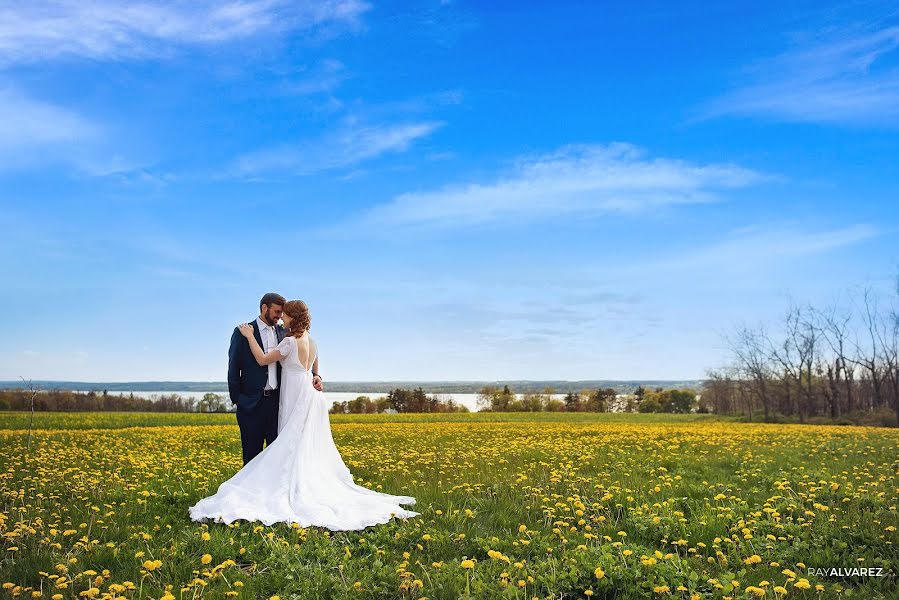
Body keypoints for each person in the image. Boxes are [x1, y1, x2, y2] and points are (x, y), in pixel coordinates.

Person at [190, 300, 419, 530]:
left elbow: (262, 360)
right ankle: (297, 482)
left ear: (292, 317)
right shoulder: (313, 340)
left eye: (285, 315)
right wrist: (316, 376)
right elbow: (313, 366)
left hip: (293, 393)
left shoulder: (288, 341)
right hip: (308, 393)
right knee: (301, 442)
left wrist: (251, 337)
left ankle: (287, 486)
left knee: (290, 441)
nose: (281, 319)